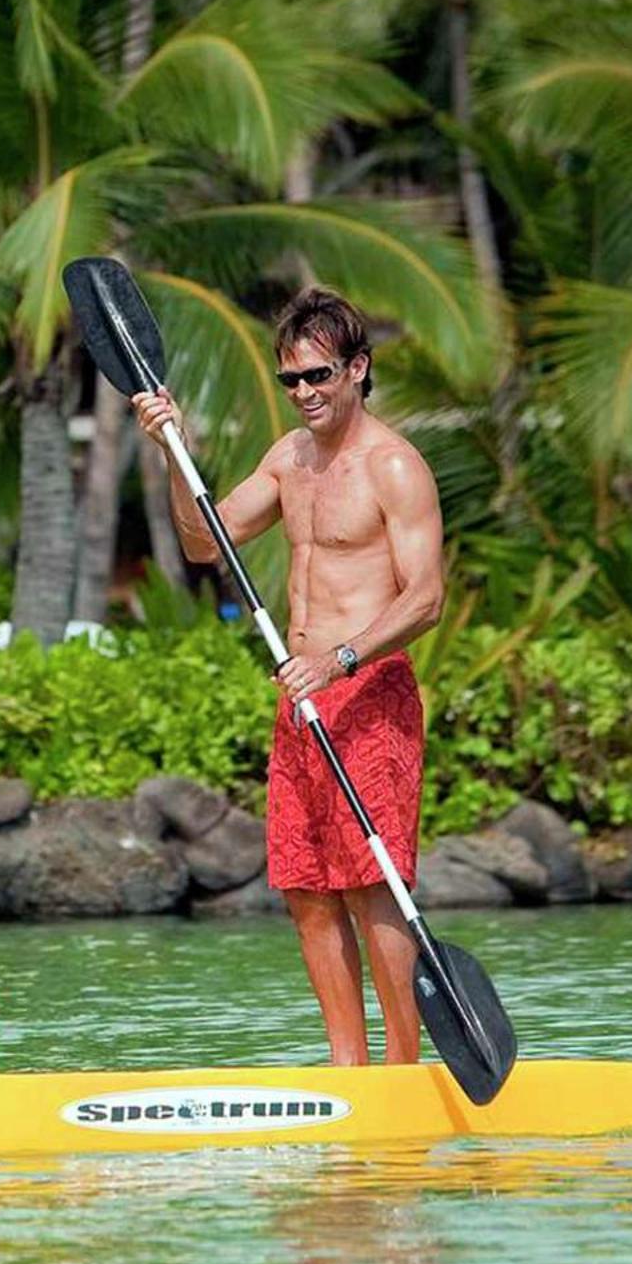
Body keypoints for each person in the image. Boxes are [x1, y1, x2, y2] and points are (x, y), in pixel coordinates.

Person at [131, 287, 444, 1067]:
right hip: (300, 703)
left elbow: (427, 597)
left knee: (374, 886)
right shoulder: (288, 459)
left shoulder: (393, 466)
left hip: (368, 693)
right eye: (291, 380)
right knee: (307, 889)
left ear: (358, 369)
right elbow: (206, 541)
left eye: (319, 376)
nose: (304, 392)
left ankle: (402, 1070)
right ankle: (350, 1065)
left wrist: (340, 659)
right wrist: (174, 452)